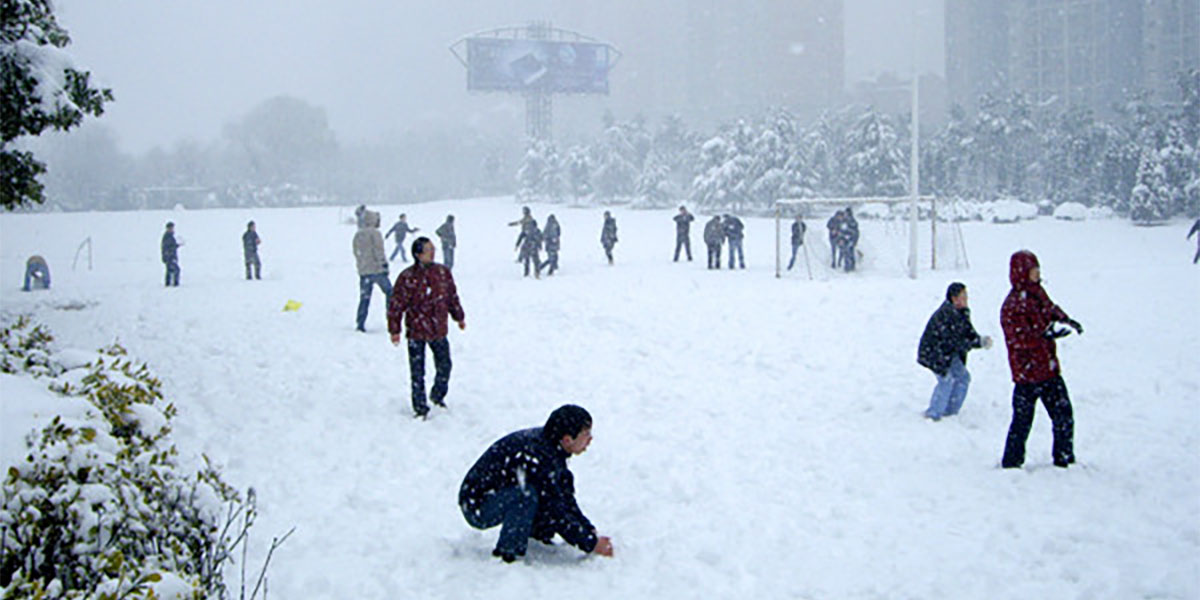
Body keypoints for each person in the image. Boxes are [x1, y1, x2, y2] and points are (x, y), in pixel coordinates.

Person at [459, 404, 614, 563]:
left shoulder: (552, 446)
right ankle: (509, 555)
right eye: (586, 434)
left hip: (502, 491)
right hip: (477, 504)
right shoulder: (538, 457)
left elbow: (564, 497)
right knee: (527, 496)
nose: (590, 439)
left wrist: (588, 531)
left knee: (541, 494)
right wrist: (591, 544)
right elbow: (555, 510)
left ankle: (537, 540)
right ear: (567, 439)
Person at [1000, 250, 1083, 469]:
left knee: (1063, 415)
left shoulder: (1037, 293)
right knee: (1022, 422)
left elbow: (1050, 309)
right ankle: (1011, 464)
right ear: (1021, 272)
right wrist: (1043, 335)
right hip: (1026, 375)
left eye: (1038, 270)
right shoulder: (1012, 304)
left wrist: (1066, 320)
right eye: (1033, 270)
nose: (1037, 274)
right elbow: (1017, 338)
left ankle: (1064, 459)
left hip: (1048, 370)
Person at [388, 237, 465, 418]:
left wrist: (459, 317)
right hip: (416, 331)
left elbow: (452, 297)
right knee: (417, 372)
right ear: (418, 254)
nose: (433, 252)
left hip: (438, 329)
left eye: (433, 249)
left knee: (445, 366)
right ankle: (420, 407)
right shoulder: (407, 277)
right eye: (428, 249)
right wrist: (395, 330)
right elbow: (396, 305)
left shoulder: (442, 272)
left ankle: (437, 395)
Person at [917, 282, 992, 421]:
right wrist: (975, 343)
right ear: (954, 298)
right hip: (935, 354)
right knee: (946, 380)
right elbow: (955, 341)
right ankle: (934, 414)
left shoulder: (962, 312)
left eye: (966, 296)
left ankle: (950, 412)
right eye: (963, 296)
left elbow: (968, 334)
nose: (966, 299)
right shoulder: (946, 314)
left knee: (963, 377)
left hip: (949, 354)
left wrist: (980, 341)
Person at [352, 209, 391, 332]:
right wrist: (384, 265)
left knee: (365, 298)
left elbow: (356, 252)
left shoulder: (358, 234)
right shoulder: (375, 233)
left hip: (364, 272)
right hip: (377, 270)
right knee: (390, 293)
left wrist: (361, 266)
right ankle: (392, 320)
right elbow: (379, 251)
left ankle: (360, 322)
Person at [515, 214, 543, 278]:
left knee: (527, 261)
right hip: (534, 247)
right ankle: (537, 273)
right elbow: (540, 239)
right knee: (536, 261)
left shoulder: (526, 230)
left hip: (526, 246)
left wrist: (517, 245)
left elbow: (520, 237)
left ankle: (526, 273)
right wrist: (540, 246)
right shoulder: (537, 231)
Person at [837, 207, 860, 272]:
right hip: (846, 239)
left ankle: (850, 266)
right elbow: (841, 230)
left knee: (849, 252)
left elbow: (855, 232)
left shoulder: (852, 221)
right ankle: (849, 266)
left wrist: (853, 240)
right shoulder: (844, 221)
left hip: (850, 239)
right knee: (847, 253)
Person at [161, 221, 180, 287]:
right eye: (171, 228)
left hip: (170, 256)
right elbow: (167, 247)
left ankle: (168, 283)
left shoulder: (170, 236)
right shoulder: (167, 236)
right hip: (169, 256)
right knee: (176, 270)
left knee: (170, 270)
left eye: (172, 228)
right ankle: (174, 284)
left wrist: (176, 245)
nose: (172, 229)